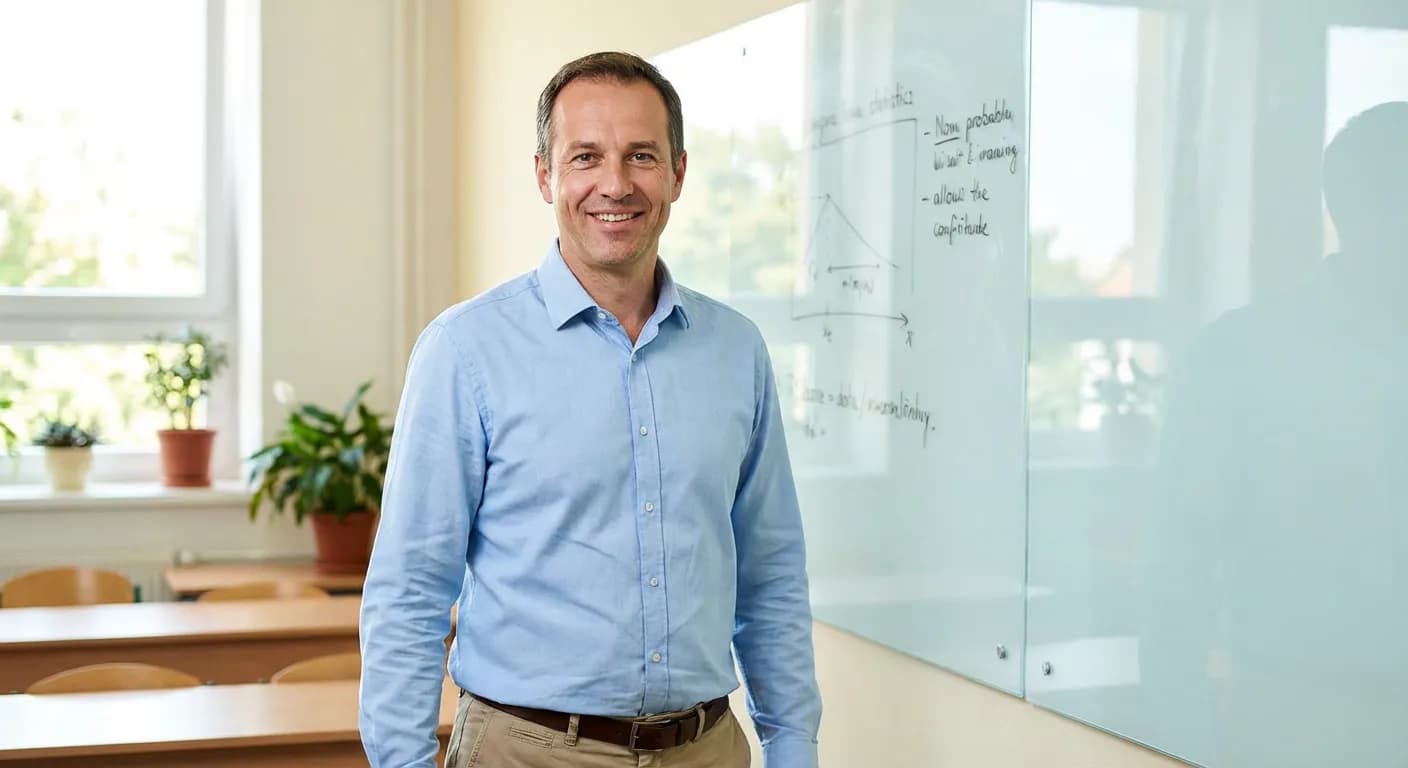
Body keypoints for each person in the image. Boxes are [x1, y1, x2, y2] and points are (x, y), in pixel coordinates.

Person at [359, 51, 822, 768]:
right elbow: (410, 592)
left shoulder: (737, 351)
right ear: (546, 175)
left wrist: (793, 750)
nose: (616, 183)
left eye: (642, 155)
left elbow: (772, 577)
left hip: (707, 748)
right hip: (526, 751)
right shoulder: (466, 350)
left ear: (678, 173)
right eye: (586, 157)